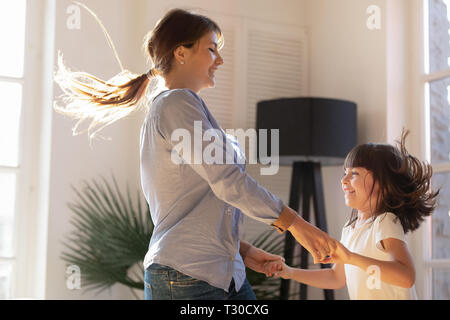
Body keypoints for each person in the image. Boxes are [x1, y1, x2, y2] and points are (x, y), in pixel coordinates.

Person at [53, 7, 337, 300]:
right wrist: (297, 225)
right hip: (186, 277)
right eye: (212, 49)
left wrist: (243, 252)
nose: (220, 60)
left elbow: (199, 202)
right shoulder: (176, 104)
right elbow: (228, 181)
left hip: (226, 275)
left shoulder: (189, 110)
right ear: (181, 53)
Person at [264, 130, 440, 299]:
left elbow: (407, 277)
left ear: (383, 184)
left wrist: (350, 257)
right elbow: (336, 277)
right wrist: (290, 272)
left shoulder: (385, 222)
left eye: (354, 173)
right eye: (345, 173)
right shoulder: (350, 229)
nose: (344, 180)